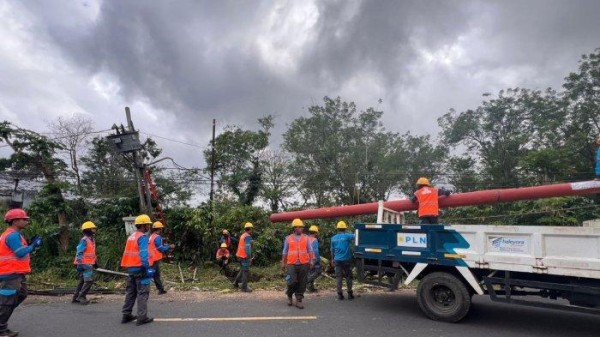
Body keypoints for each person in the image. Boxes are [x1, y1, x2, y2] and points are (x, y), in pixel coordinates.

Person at [0, 208, 42, 337]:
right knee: (8, 301)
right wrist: (33, 245)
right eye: (24, 219)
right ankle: (1, 329)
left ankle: (2, 324)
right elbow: (20, 253)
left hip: (16, 272)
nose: (26, 222)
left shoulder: (14, 234)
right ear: (15, 221)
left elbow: (19, 250)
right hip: (10, 273)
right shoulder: (12, 235)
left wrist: (29, 244)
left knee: (21, 294)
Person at [120, 214, 155, 326]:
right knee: (143, 293)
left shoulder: (131, 236)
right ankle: (142, 317)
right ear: (144, 226)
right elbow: (143, 254)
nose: (149, 227)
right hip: (141, 269)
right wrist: (147, 267)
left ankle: (126, 315)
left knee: (131, 292)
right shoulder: (143, 237)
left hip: (130, 269)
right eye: (148, 225)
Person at [281, 219, 314, 309]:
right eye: (299, 227)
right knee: (291, 281)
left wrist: (311, 261)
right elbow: (285, 251)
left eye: (301, 227)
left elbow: (310, 250)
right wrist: (283, 263)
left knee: (302, 282)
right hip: (291, 263)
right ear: (295, 228)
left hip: (304, 263)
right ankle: (289, 295)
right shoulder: (288, 238)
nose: (301, 229)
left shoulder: (306, 238)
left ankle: (299, 300)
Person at [72, 221, 97, 305]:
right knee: (89, 281)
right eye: (93, 229)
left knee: (82, 281)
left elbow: (91, 252)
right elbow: (79, 251)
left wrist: (95, 262)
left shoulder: (91, 240)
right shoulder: (85, 240)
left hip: (87, 263)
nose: (95, 230)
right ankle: (81, 296)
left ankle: (75, 297)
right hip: (85, 263)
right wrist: (79, 263)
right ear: (88, 230)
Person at [331, 220, 355, 300]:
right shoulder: (347, 236)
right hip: (346, 260)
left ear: (337, 229)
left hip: (337, 260)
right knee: (348, 277)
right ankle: (350, 294)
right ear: (345, 228)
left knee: (339, 277)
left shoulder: (333, 238)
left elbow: (332, 250)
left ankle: (340, 295)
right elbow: (357, 235)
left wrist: (332, 259)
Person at [149, 221, 174, 295]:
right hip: (154, 259)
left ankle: (161, 290)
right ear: (159, 228)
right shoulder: (157, 237)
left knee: (155, 274)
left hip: (151, 258)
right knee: (152, 274)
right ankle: (142, 289)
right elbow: (160, 248)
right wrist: (169, 247)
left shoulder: (152, 236)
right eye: (161, 228)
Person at [233, 222, 254, 292]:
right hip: (244, 256)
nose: (252, 230)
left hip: (239, 255)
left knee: (242, 270)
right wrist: (250, 258)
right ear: (250, 228)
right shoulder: (248, 236)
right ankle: (244, 287)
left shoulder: (243, 235)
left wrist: (251, 244)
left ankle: (235, 283)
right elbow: (247, 248)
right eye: (252, 229)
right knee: (245, 271)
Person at [306, 225, 322, 293]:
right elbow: (315, 252)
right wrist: (318, 260)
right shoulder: (314, 240)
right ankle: (306, 282)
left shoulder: (306, 238)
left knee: (310, 272)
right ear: (315, 233)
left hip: (305, 258)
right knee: (318, 272)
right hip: (313, 258)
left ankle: (311, 288)